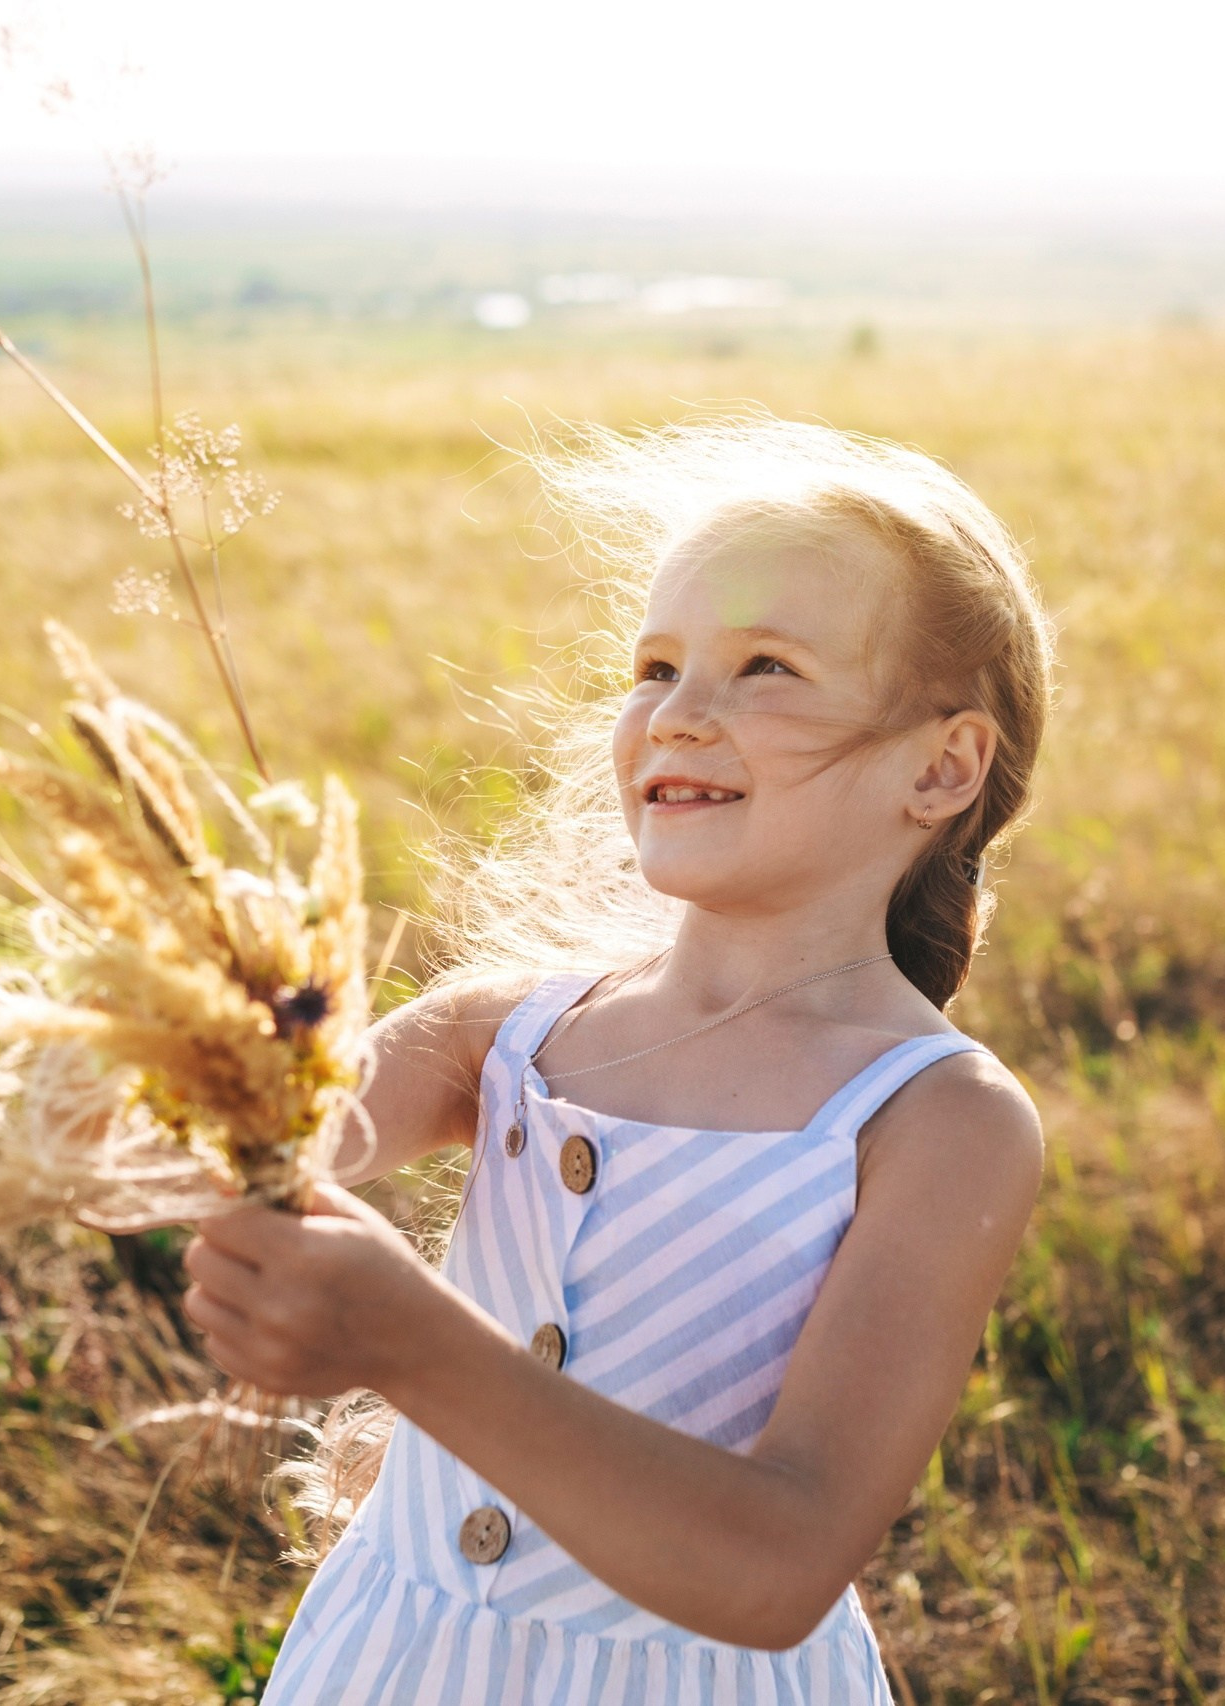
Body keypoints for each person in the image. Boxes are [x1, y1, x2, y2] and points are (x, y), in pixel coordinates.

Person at [185, 416, 1055, 1703]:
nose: (680, 714)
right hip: (388, 1663)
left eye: (765, 667)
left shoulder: (934, 1121)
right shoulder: (500, 1032)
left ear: (941, 765)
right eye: (654, 665)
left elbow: (780, 1564)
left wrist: (412, 1342)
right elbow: (203, 1145)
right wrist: (158, 1058)